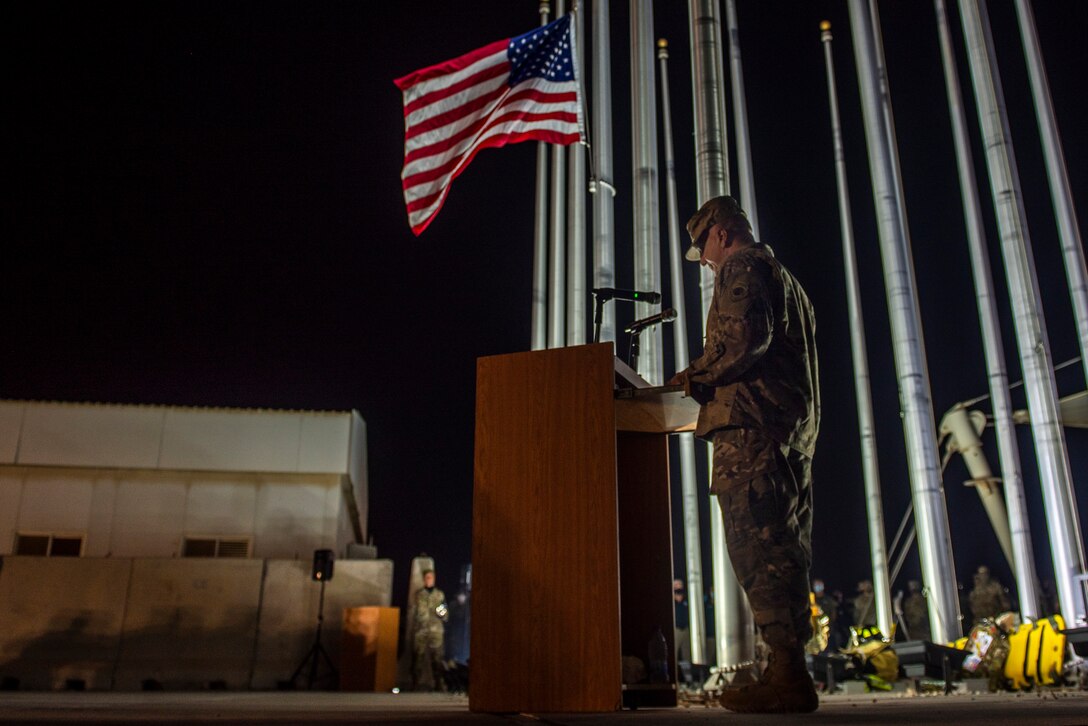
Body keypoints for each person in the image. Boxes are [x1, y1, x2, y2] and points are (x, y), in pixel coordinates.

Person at [669, 196, 820, 714]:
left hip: (752, 429)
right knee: (785, 549)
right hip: (788, 429)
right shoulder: (787, 279)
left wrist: (691, 377)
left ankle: (786, 676)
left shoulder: (744, 266)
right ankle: (788, 669)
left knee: (758, 550)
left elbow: (742, 340)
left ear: (721, 234)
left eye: (703, 248)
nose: (704, 262)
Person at [412, 569, 449, 691]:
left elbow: (445, 613)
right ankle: (415, 683)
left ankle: (438, 683)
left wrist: (442, 613)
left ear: (434, 579)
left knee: (437, 657)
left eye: (431, 577)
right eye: (427, 577)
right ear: (424, 579)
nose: (429, 580)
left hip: (436, 630)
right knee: (418, 656)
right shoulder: (419, 594)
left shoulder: (439, 595)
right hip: (421, 629)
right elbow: (414, 611)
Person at [673, 579, 693, 685]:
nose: (679, 588)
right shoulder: (672, 602)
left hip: (685, 630)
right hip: (676, 630)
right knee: (674, 656)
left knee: (686, 657)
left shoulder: (686, 601)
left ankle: (688, 680)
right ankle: (675, 680)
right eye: (676, 586)